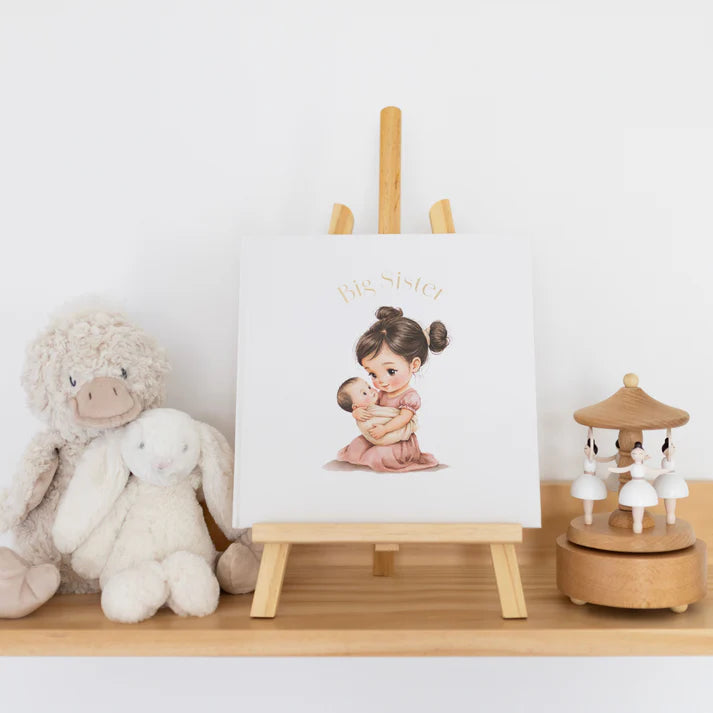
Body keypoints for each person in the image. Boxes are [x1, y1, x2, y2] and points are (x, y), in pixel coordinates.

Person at [336, 306, 448, 472]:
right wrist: (357, 412)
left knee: (376, 456)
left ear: (414, 365)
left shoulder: (409, 397)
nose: (381, 381)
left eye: (391, 371)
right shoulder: (380, 394)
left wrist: (385, 429)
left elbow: (403, 419)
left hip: (400, 442)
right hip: (380, 435)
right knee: (355, 447)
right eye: (373, 374)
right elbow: (371, 407)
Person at [336, 377, 418, 446]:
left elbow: (404, 416)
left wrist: (385, 429)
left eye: (369, 387)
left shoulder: (381, 396)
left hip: (394, 430)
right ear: (355, 407)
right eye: (364, 393)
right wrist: (355, 413)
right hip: (383, 438)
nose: (371, 391)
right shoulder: (366, 411)